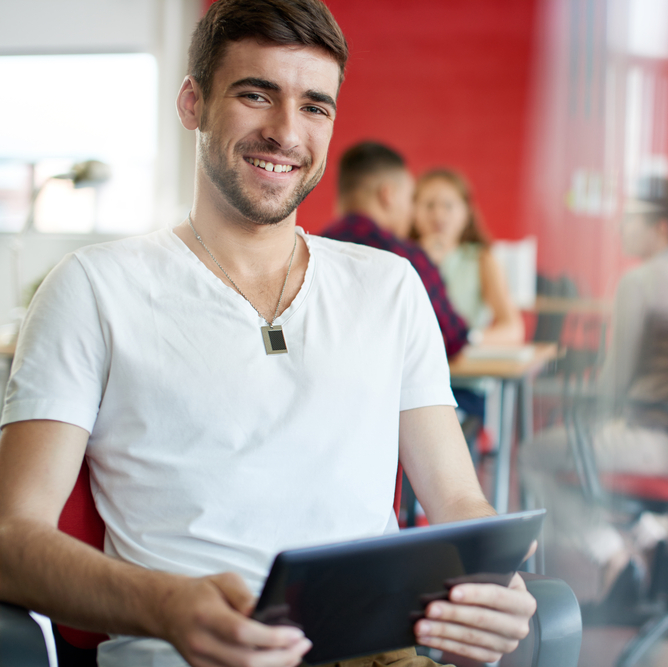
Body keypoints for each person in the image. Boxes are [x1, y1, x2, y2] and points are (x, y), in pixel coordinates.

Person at [0, 3, 536, 667]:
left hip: (380, 653)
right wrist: (164, 603)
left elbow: (456, 496)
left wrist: (491, 581)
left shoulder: (390, 286)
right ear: (192, 102)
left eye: (315, 106)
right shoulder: (91, 286)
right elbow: (9, 538)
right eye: (257, 95)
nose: (286, 132)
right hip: (185, 651)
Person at [522, 176, 668, 599]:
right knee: (590, 455)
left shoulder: (641, 281)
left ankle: (613, 556)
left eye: (631, 219)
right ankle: (654, 542)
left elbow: (612, 386)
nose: (619, 228)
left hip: (656, 445)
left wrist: (546, 392)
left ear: (662, 228)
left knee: (534, 455)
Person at [321, 143, 469, 359]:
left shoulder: (305, 250)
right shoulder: (409, 258)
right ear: (388, 195)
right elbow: (453, 338)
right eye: (410, 199)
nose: (411, 211)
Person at [411, 168, 524, 346]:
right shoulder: (401, 258)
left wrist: (467, 340)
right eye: (429, 205)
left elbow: (513, 329)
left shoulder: (482, 259)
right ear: (413, 210)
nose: (438, 215)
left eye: (448, 206)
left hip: (468, 367)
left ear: (466, 212)